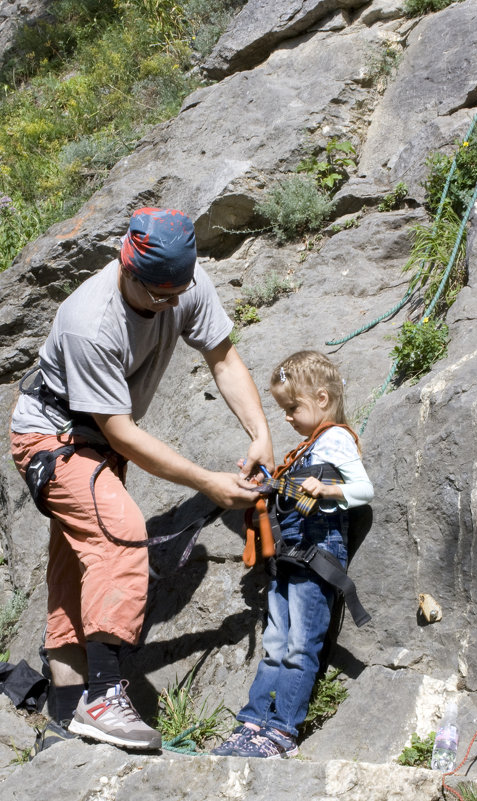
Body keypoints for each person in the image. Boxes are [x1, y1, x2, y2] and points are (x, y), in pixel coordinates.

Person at [10, 207, 273, 752]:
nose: (172, 304)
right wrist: (207, 482)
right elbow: (122, 432)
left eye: (178, 292)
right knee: (120, 535)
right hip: (54, 441)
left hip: (100, 444)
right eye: (159, 296)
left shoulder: (181, 283)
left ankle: (63, 724)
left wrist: (259, 433)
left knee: (75, 579)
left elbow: (223, 358)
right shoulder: (91, 320)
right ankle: (103, 699)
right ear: (126, 267)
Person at [212, 350, 373, 759]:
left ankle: (280, 730)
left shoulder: (336, 437)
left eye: (291, 407)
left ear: (322, 399)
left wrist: (330, 490)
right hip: (290, 553)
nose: (285, 416)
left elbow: (364, 490)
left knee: (300, 644)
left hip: (317, 551)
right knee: (276, 640)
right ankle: (253, 722)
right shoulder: (306, 447)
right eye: (282, 409)